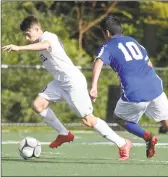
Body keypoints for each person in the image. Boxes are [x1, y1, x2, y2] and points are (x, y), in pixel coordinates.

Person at [2, 15, 132, 161]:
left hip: (72, 82)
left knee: (88, 120)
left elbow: (45, 45)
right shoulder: (39, 40)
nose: (26, 38)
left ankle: (122, 143)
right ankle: (64, 134)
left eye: (28, 34)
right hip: (60, 82)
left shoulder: (48, 36)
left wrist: (19, 48)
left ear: (37, 29)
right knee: (38, 105)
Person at [89, 14, 168, 165]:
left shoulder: (107, 46)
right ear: (121, 30)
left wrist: (93, 87)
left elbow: (99, 62)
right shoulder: (134, 42)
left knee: (119, 118)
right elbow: (149, 64)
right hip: (155, 86)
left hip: (134, 91)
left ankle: (148, 137)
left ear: (107, 33)